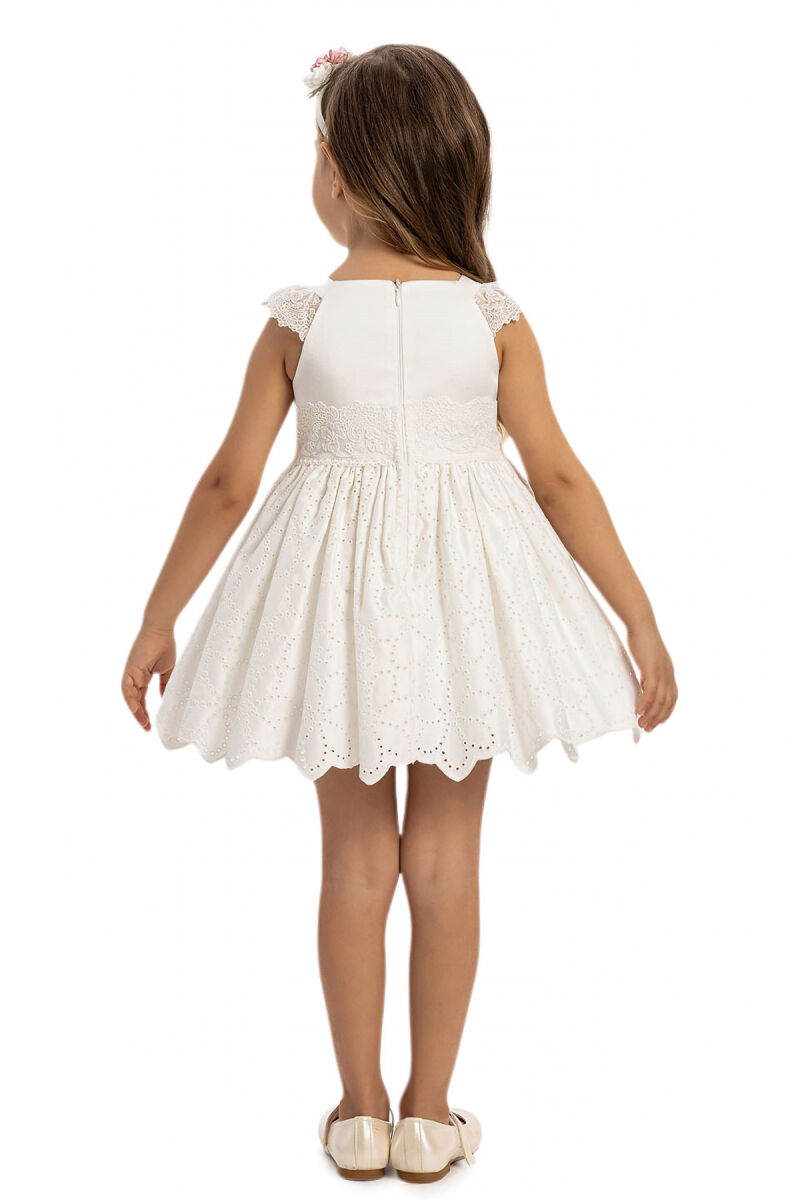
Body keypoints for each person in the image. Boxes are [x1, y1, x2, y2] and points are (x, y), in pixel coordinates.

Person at [122, 43, 677, 1184]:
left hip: (332, 605)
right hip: (467, 604)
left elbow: (227, 484)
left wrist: (158, 616)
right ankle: (430, 1116)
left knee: (353, 860)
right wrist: (637, 617)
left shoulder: (298, 320)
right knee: (447, 858)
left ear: (340, 171)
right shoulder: (493, 316)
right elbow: (557, 478)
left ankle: (359, 1112)